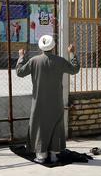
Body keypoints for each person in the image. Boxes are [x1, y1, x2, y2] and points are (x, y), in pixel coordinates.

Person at [16, 35, 80, 163]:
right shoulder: (60, 61)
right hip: (56, 101)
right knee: (56, 125)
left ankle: (41, 155)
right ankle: (54, 154)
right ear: (54, 46)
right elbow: (75, 69)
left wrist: (21, 56)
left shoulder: (34, 61)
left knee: (40, 125)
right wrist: (72, 53)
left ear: (40, 47)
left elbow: (20, 72)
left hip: (39, 101)